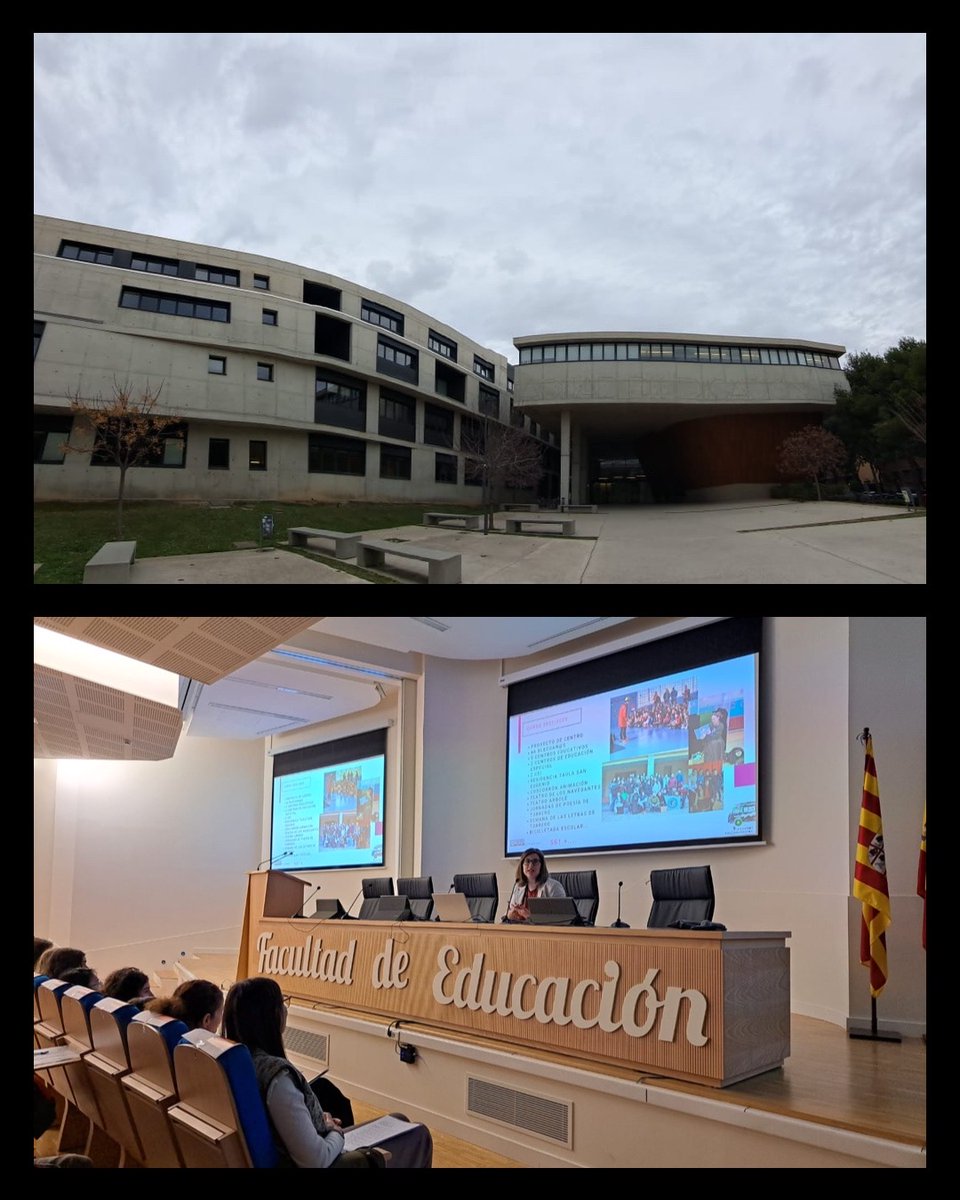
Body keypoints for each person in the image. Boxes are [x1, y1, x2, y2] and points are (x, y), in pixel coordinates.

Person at [222, 977, 432, 1168]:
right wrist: (333, 1131)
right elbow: (316, 1160)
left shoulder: (236, 1062)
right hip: (323, 1159)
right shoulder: (278, 1080)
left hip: (301, 1149)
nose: (286, 1010)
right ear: (270, 1016)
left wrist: (319, 1121)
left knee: (399, 1118)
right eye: (282, 1003)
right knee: (418, 1133)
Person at [505, 848, 565, 922]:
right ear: (522, 865)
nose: (530, 865)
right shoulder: (518, 887)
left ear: (541, 866)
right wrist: (510, 915)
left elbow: (562, 918)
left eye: (535, 861)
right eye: (527, 861)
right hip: (521, 930)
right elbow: (510, 912)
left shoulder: (553, 887)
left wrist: (530, 917)